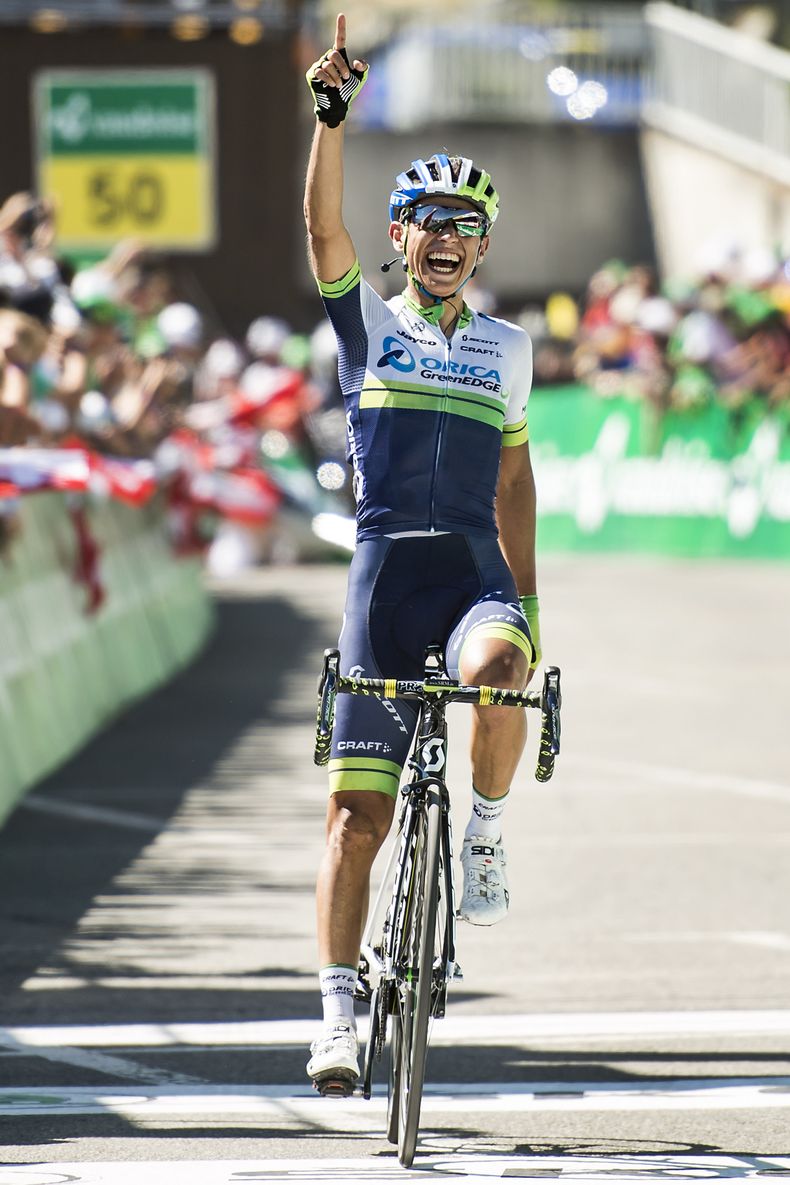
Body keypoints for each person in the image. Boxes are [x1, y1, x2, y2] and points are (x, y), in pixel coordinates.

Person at [303, 13, 542, 1095]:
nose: (447, 236)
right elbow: (320, 230)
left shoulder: (509, 348)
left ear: (482, 247)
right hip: (384, 584)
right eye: (429, 221)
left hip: (471, 576)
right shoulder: (367, 325)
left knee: (501, 671)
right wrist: (331, 120)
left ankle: (483, 831)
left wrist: (528, 601)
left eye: (466, 224)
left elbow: (515, 482)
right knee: (357, 820)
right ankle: (337, 1016)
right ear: (399, 235)